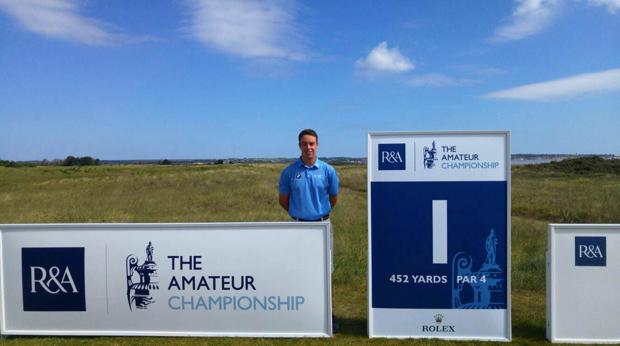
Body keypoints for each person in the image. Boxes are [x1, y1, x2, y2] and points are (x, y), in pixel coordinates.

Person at [278, 129, 339, 221]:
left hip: (322, 223)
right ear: (299, 146)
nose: (308, 147)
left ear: (317, 145)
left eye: (311, 144)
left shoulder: (329, 171)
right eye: (304, 144)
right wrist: (299, 214)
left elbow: (333, 199)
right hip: (297, 224)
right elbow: (283, 201)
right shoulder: (288, 172)